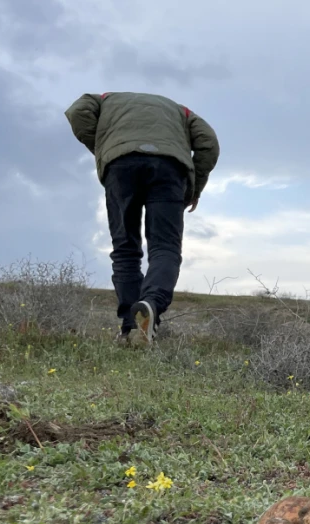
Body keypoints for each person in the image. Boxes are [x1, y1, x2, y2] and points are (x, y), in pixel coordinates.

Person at [65, 92, 220, 345]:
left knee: (125, 249)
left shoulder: (101, 99)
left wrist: (108, 146)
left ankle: (129, 328)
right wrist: (194, 188)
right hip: (169, 168)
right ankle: (151, 304)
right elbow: (208, 142)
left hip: (121, 165)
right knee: (165, 248)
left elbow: (77, 111)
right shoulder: (182, 112)